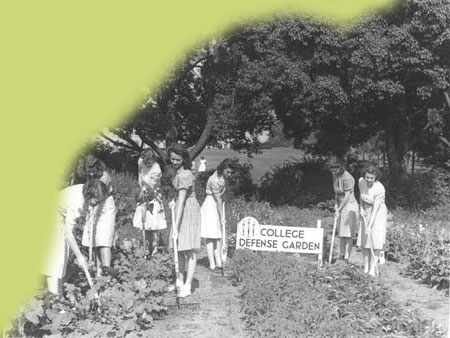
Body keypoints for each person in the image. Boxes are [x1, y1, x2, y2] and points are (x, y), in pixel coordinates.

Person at [43, 180, 109, 295]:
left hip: (59, 216)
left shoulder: (87, 191)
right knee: (56, 258)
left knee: (63, 256)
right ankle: (53, 298)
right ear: (89, 196)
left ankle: (60, 295)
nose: (97, 204)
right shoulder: (76, 202)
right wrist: (80, 257)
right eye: (96, 201)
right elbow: (69, 233)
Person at [168, 144, 201, 298]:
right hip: (180, 208)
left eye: (178, 159)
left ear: (184, 159)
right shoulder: (176, 172)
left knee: (189, 249)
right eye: (172, 159)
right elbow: (178, 198)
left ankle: (187, 286)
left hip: (189, 211)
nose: (174, 162)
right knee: (179, 248)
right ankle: (179, 281)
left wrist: (176, 227)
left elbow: (182, 201)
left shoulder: (186, 174)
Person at [75, 155, 116, 275]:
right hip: (93, 205)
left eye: (93, 171)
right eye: (88, 171)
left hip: (105, 206)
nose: (91, 174)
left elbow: (99, 194)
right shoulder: (88, 176)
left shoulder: (105, 177)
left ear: (97, 167)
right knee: (95, 240)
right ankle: (98, 272)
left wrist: (93, 205)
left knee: (104, 240)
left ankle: (106, 270)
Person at [201, 158, 235, 271]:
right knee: (211, 236)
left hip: (216, 204)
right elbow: (218, 199)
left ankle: (219, 261)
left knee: (218, 235)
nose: (229, 174)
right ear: (222, 169)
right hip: (211, 206)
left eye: (231, 172)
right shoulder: (215, 180)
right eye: (228, 172)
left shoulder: (221, 177)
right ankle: (212, 264)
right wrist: (222, 216)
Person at [132, 149, 167, 256]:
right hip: (144, 195)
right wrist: (139, 169)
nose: (147, 163)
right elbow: (140, 181)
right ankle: (147, 247)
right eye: (145, 161)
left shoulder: (156, 169)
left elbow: (151, 185)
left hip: (153, 197)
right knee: (145, 224)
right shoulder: (142, 165)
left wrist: (145, 192)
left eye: (148, 161)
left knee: (154, 224)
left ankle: (155, 249)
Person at [357, 163, 388, 277]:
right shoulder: (361, 181)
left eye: (371, 178)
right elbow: (361, 196)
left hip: (378, 213)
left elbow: (376, 208)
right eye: (367, 177)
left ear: (376, 178)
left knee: (375, 239)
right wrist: (360, 208)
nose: (369, 180)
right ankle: (366, 267)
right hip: (366, 209)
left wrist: (370, 225)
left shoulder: (380, 188)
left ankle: (372, 268)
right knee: (364, 239)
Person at [328, 158, 359, 263]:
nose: (333, 171)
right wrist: (336, 206)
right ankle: (341, 255)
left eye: (335, 169)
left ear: (340, 167)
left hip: (349, 206)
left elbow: (347, 196)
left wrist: (340, 209)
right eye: (331, 169)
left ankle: (346, 257)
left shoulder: (347, 177)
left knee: (347, 234)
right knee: (341, 233)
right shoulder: (335, 176)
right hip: (341, 205)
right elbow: (336, 193)